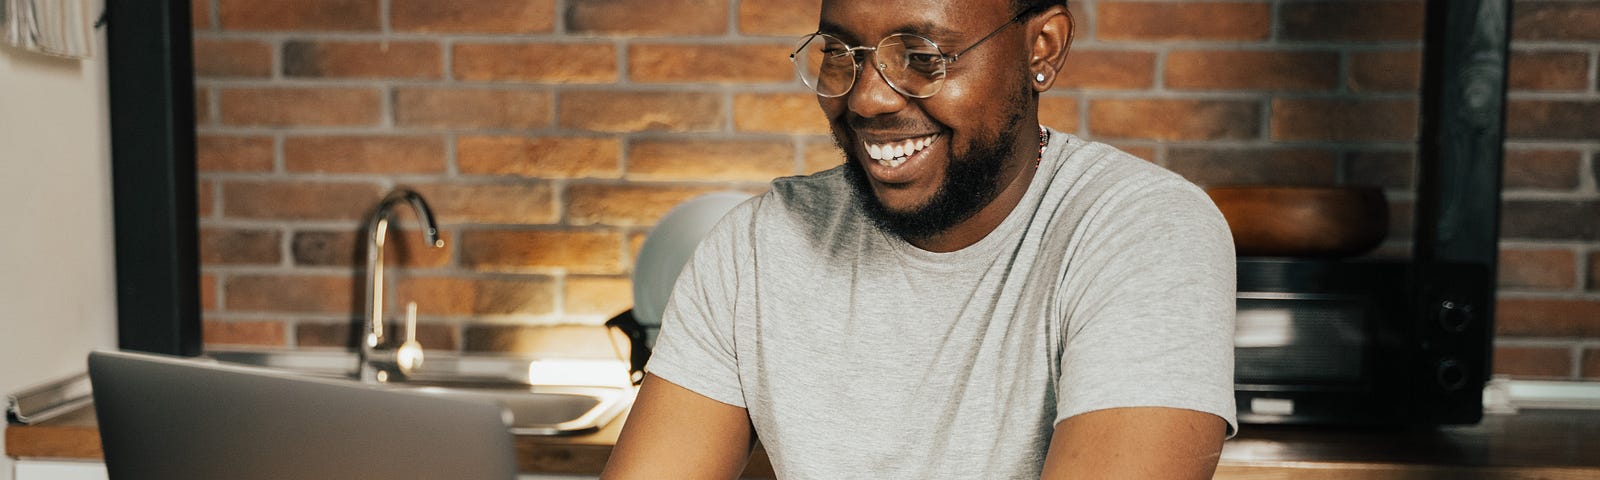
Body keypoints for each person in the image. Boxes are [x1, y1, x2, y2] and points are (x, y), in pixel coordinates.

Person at [602, 0, 1237, 478]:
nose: (869, 99)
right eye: (842, 55)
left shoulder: (1141, 230)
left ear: (1042, 47)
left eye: (925, 56)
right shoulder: (757, 246)